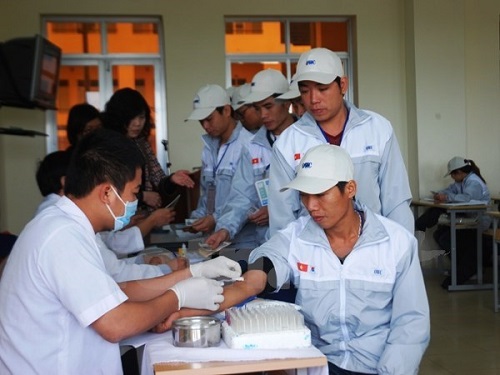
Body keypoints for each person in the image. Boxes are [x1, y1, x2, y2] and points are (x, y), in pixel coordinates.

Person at [163, 144, 430, 375]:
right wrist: (181, 312)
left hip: (376, 367)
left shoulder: (395, 243)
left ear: (349, 189)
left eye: (321, 194)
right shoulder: (297, 238)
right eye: (304, 195)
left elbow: (411, 323)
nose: (311, 205)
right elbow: (253, 278)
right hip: (317, 363)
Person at [0, 128, 242, 374]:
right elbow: (116, 323)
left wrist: (193, 272)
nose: (135, 202)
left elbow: (119, 290)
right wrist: (176, 297)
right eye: (134, 193)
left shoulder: (62, 225)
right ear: (107, 192)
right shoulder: (61, 236)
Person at [268, 48, 414, 237]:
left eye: (322, 89)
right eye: (305, 91)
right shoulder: (288, 143)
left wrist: (401, 252)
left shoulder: (377, 129)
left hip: (373, 249)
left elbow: (396, 201)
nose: (313, 99)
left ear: (343, 85)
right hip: (315, 255)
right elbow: (282, 217)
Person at [34, 149, 180, 281]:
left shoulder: (61, 213)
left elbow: (108, 263)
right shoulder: (65, 222)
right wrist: (165, 270)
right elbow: (113, 272)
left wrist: (144, 262)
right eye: (134, 193)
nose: (134, 200)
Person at [205, 69, 295, 251]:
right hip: (268, 243)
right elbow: (242, 196)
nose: (262, 115)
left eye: (268, 106)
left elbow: (319, 197)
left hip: (303, 243)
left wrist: (276, 211)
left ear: (286, 103)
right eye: (257, 108)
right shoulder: (254, 147)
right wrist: (225, 229)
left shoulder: (308, 140)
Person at [103, 87, 194, 211]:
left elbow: (158, 180)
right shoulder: (106, 146)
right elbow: (106, 189)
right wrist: (142, 197)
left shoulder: (142, 144)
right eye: (132, 118)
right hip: (117, 220)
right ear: (119, 118)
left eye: (141, 117)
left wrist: (172, 180)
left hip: (144, 219)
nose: (137, 123)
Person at [184, 84, 253, 235]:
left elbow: (246, 199)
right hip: (213, 236)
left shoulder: (248, 145)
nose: (205, 126)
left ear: (227, 111)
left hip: (242, 238)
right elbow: (207, 193)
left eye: (209, 119)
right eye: (201, 121)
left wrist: (215, 219)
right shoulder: (209, 147)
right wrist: (198, 218)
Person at [415, 156, 491, 287]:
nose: (452, 178)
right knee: (439, 234)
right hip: (468, 220)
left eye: (452, 175)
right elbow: (449, 191)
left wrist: (447, 197)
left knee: (447, 237)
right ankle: (462, 268)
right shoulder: (461, 182)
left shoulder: (474, 182)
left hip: (479, 223)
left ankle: (467, 269)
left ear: (460, 172)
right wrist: (439, 194)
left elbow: (466, 198)